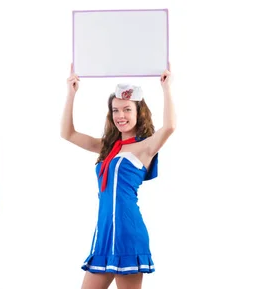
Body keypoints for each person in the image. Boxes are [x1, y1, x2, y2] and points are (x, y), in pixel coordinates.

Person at [60, 63, 176, 289]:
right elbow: (68, 133)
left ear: (138, 112)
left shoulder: (145, 147)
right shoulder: (108, 147)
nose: (120, 115)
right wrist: (71, 94)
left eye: (127, 109)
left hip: (127, 232)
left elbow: (170, 126)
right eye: (116, 110)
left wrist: (166, 89)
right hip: (104, 232)